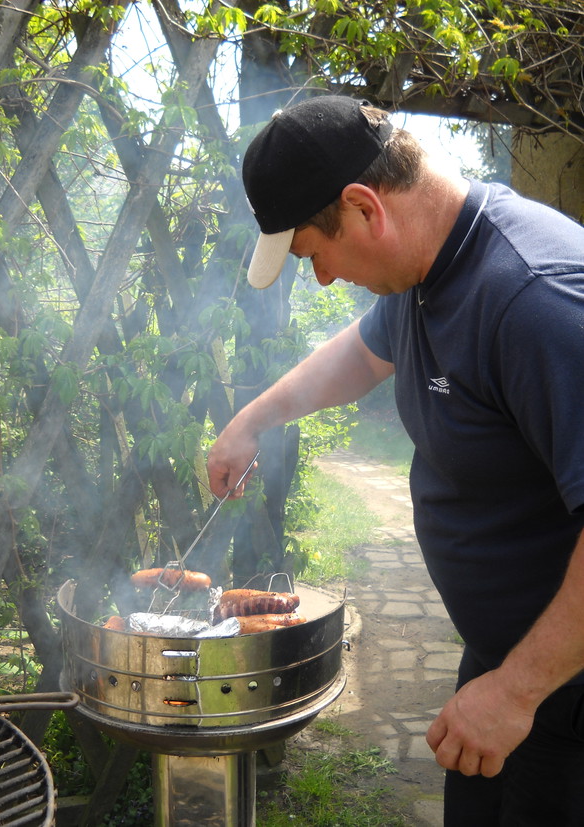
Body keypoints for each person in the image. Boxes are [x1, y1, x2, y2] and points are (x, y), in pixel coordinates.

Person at [206, 95, 584, 825]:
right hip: (511, 662)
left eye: (313, 256)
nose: (321, 280)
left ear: (363, 207)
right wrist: (252, 420)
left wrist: (517, 692)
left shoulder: (536, 299)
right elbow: (360, 353)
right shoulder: (426, 271)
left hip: (562, 691)